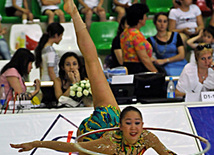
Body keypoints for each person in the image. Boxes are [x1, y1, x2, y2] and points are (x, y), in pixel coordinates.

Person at [10, 1, 176, 154]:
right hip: (94, 130)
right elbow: (70, 146)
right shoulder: (108, 145)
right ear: (121, 126)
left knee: (93, 64)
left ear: (143, 125)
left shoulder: (147, 138)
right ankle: (75, 13)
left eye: (137, 123)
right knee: (93, 63)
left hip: (111, 118)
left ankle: (75, 13)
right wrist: (37, 143)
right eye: (128, 123)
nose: (133, 128)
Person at [120, 3, 158, 74]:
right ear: (140, 19)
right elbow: (144, 58)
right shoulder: (136, 35)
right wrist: (155, 72)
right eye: (145, 15)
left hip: (128, 68)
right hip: (139, 70)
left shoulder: (124, 33)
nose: (146, 17)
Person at [147, 12, 187, 76]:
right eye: (159, 21)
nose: (162, 24)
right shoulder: (150, 40)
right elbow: (148, 56)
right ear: (155, 23)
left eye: (165, 21)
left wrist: (165, 60)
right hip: (165, 67)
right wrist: (155, 60)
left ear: (168, 23)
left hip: (180, 64)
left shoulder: (176, 35)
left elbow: (182, 55)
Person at [34, 22, 64, 107]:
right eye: (61, 36)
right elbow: (51, 69)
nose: (61, 38)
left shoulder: (43, 49)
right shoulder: (50, 50)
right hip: (50, 83)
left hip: (44, 81)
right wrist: (57, 84)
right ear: (56, 35)